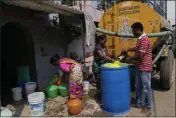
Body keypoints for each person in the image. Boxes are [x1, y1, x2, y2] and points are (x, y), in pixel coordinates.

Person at [124, 22, 152, 116]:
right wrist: (127, 49)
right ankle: (138, 104)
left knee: (146, 88)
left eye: (134, 30)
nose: (133, 32)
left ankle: (148, 107)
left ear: (139, 29)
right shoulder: (140, 39)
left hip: (144, 67)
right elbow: (137, 48)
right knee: (138, 86)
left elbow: (140, 55)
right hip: (139, 66)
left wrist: (129, 58)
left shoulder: (144, 39)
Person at [93, 34, 114, 100]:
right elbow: (101, 55)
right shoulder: (98, 47)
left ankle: (103, 95)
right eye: (104, 41)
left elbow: (107, 54)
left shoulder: (104, 46)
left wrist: (111, 56)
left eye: (106, 41)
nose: (105, 42)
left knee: (103, 81)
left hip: (103, 66)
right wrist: (109, 59)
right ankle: (99, 96)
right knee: (99, 81)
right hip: (97, 67)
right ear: (99, 40)